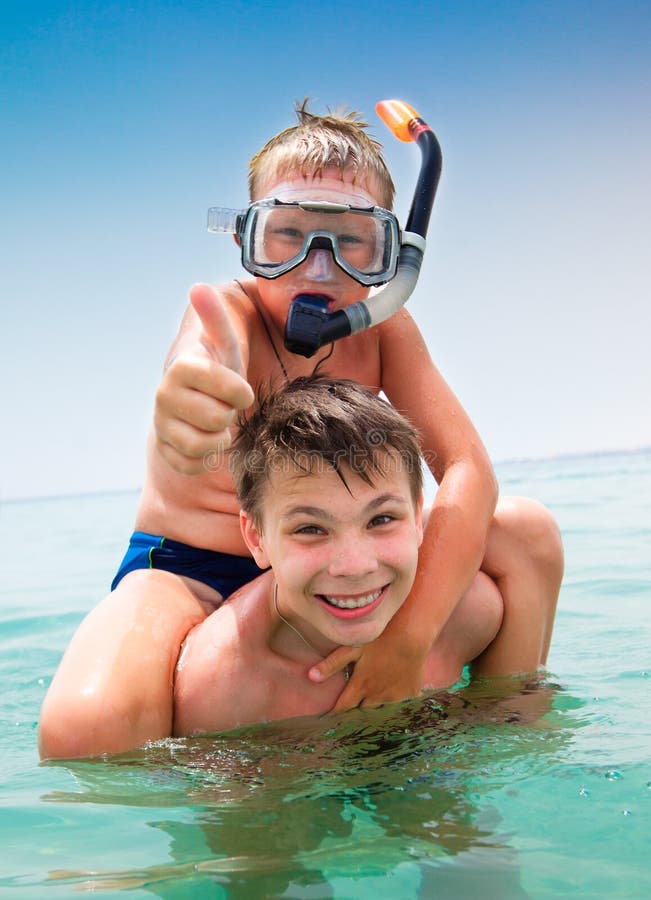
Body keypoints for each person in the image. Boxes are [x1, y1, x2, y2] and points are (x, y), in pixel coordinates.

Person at [38, 102, 563, 760]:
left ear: (390, 256)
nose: (319, 269)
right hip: (190, 571)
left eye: (351, 242)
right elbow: (201, 359)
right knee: (87, 728)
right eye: (287, 234)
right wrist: (190, 401)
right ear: (244, 241)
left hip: (325, 555)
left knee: (524, 533)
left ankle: (507, 726)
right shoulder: (227, 314)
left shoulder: (382, 330)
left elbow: (467, 470)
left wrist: (407, 640)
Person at [174, 376, 507, 736]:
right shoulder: (222, 690)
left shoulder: (470, 615)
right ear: (257, 538)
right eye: (310, 529)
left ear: (416, 519)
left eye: (381, 519)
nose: (356, 566)